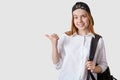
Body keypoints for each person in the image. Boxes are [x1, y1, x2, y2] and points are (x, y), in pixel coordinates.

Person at [45, 1, 108, 80]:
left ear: (89, 17)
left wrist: (94, 68)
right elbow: (57, 64)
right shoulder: (66, 37)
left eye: (83, 16)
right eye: (76, 17)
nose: (79, 20)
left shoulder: (98, 40)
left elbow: (103, 64)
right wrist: (54, 44)